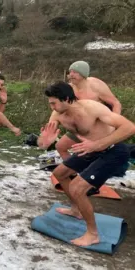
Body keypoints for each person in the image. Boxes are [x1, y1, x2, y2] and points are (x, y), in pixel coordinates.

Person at [38, 81, 135, 247]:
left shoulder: (93, 109)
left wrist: (98, 145)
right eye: (50, 103)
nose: (51, 107)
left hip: (113, 151)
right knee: (59, 173)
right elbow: (43, 142)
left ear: (67, 99)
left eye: (54, 103)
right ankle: (76, 209)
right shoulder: (57, 114)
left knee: (77, 187)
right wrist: (44, 142)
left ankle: (93, 234)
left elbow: (129, 127)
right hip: (90, 149)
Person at [54, 61, 122, 160]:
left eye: (75, 72)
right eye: (70, 72)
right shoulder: (69, 89)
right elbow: (60, 109)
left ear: (83, 74)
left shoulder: (96, 85)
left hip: (99, 126)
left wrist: (114, 126)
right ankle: (72, 171)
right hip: (82, 126)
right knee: (60, 146)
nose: (71, 75)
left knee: (91, 152)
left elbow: (115, 103)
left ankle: (95, 168)